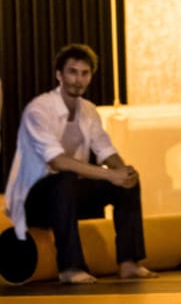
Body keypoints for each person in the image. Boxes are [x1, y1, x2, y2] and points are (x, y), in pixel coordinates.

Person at [4, 43, 155, 283]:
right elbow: (57, 161)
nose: (78, 80)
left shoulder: (88, 110)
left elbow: (105, 150)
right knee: (64, 179)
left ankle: (129, 262)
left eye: (84, 74)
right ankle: (70, 268)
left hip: (70, 196)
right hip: (35, 200)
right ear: (59, 75)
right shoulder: (39, 109)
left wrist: (122, 172)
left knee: (126, 180)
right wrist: (108, 175)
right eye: (72, 72)